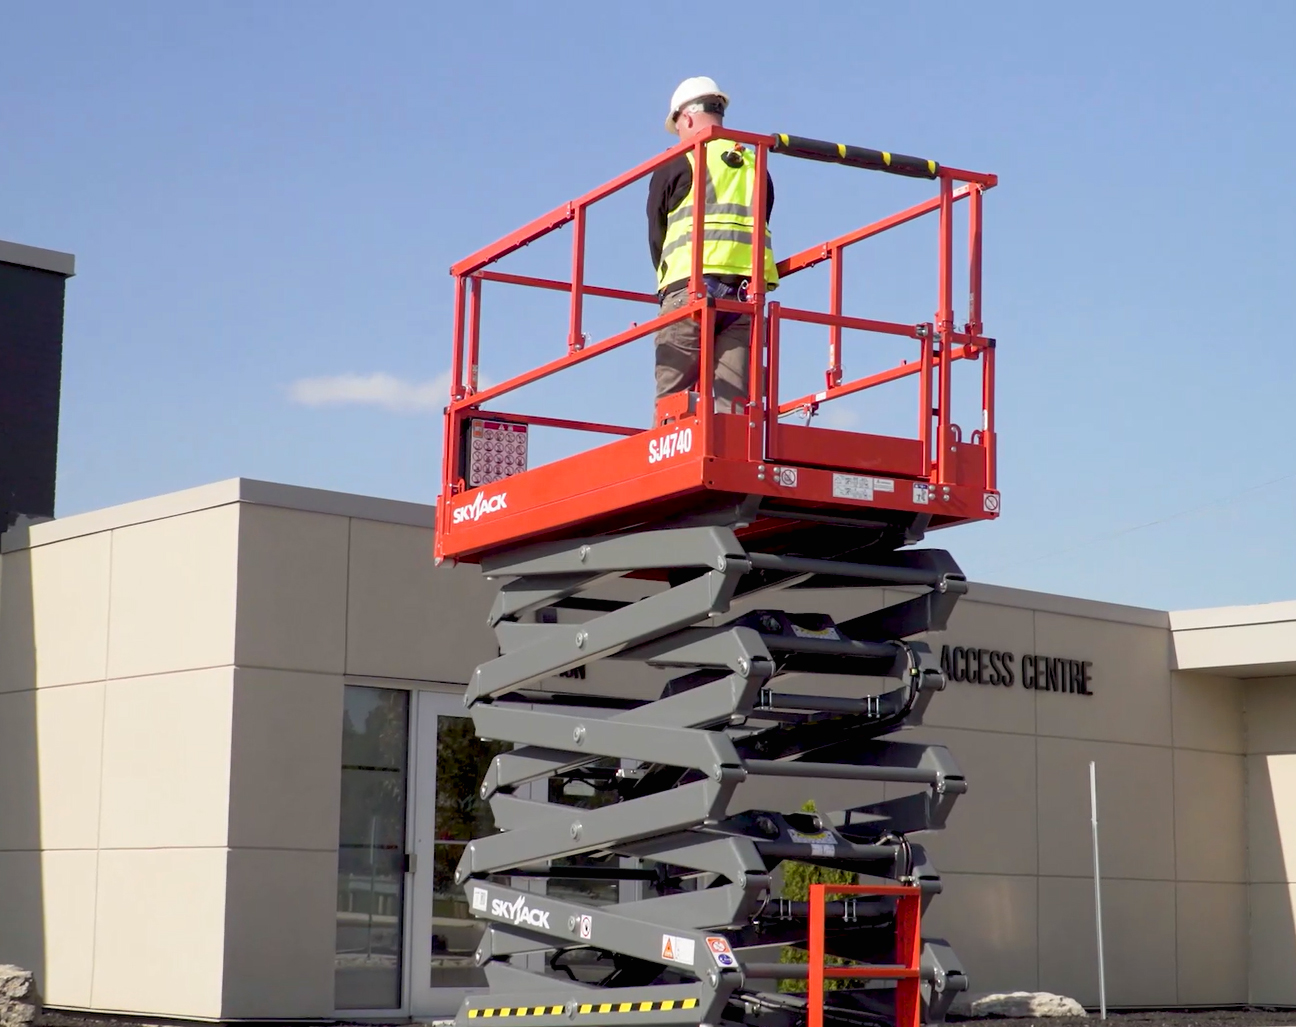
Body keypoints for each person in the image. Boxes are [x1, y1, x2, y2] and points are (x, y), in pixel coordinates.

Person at [647, 76, 778, 416]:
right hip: (746, 297)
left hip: (688, 290)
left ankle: (670, 464)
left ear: (686, 118)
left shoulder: (678, 160)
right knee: (731, 405)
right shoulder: (754, 162)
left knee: (672, 401)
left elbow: (657, 235)